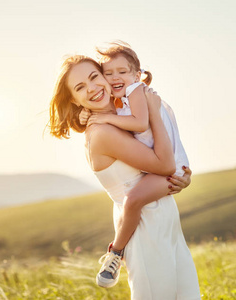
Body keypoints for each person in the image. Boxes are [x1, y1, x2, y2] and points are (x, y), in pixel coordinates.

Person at [49, 55, 200, 299]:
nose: (92, 88)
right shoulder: (103, 133)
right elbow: (164, 164)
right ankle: (114, 253)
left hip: (162, 219)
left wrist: (182, 178)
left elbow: (160, 165)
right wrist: (152, 110)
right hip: (144, 227)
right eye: (80, 87)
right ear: (74, 100)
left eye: (94, 77)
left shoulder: (121, 113)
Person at [79, 41, 191, 287]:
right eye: (108, 74)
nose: (114, 78)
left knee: (132, 201)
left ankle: (115, 253)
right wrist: (88, 114)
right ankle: (116, 253)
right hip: (169, 166)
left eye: (122, 72)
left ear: (137, 75)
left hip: (171, 168)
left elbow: (139, 124)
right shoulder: (124, 101)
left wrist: (103, 116)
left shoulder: (137, 93)